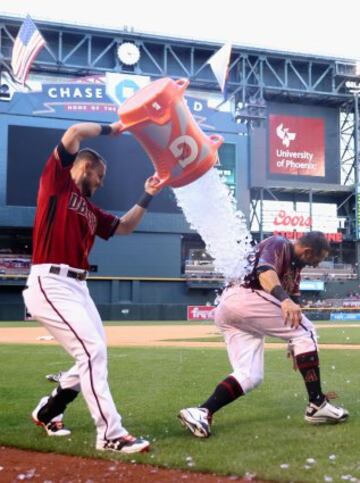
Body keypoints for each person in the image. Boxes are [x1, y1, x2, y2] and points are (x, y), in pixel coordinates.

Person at [23, 121, 161, 453]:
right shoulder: (57, 183)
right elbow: (73, 133)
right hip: (50, 281)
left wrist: (148, 193)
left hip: (77, 288)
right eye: (99, 176)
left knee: (94, 351)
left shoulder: (89, 208)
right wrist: (111, 128)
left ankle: (48, 410)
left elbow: (125, 227)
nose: (100, 183)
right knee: (92, 352)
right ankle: (110, 434)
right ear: (85, 167)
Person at [178, 232, 349, 438]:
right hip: (244, 297)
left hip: (233, 311)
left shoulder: (295, 269)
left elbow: (295, 306)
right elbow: (265, 272)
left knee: (250, 375)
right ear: (308, 251)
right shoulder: (280, 243)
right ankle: (317, 403)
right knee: (307, 332)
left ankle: (201, 412)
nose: (315, 265)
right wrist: (285, 302)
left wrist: (293, 342)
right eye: (316, 260)